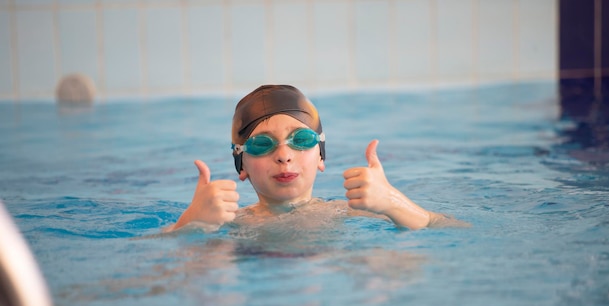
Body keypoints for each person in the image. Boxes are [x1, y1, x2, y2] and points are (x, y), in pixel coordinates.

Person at [165, 84, 465, 233]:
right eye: (261, 145)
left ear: (320, 156)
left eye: (301, 140)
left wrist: (393, 202)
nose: (284, 156)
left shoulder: (346, 214)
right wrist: (189, 223)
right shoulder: (230, 225)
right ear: (240, 164)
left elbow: (450, 229)